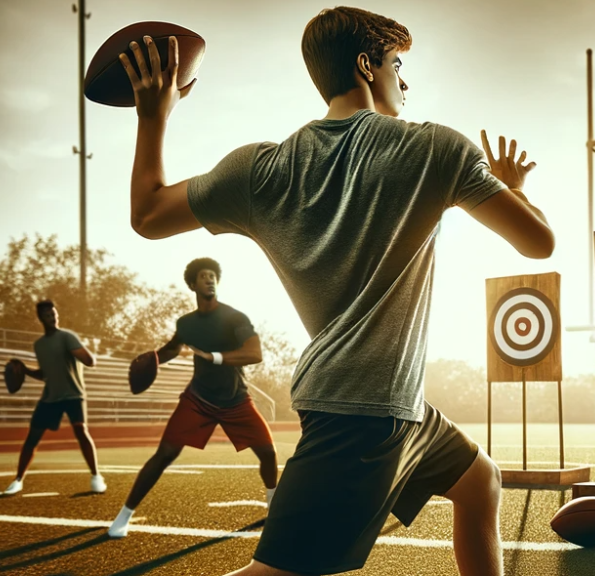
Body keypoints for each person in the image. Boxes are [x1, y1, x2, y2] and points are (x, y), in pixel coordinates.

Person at [117, 6, 554, 575]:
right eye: (398, 65)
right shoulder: (436, 148)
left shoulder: (258, 169)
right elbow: (538, 242)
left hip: (396, 407)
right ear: (367, 65)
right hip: (361, 412)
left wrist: (154, 116)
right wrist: (514, 189)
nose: (405, 81)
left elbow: (148, 214)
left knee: (480, 483)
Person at [108, 257, 277, 538]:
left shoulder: (235, 317)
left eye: (213, 275)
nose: (210, 279)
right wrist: (152, 360)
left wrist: (214, 357)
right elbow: (174, 348)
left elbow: (255, 353)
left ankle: (272, 505)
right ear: (192, 284)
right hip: (198, 400)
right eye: (203, 276)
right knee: (165, 454)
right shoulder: (186, 323)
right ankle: (124, 515)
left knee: (268, 453)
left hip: (235, 399)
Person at [4, 300, 105, 495]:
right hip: (51, 397)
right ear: (41, 318)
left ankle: (96, 476)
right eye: (48, 315)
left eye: (54, 313)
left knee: (81, 431)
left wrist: (80, 352)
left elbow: (90, 361)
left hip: (73, 394)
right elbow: (45, 374)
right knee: (31, 439)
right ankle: (18, 480)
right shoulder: (39, 345)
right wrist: (25, 370)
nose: (53, 317)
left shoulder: (67, 337)